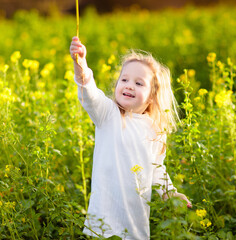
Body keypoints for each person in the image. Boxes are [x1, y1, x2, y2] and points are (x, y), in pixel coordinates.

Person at [69, 36, 192, 239]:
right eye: (124, 80)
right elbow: (88, 93)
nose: (129, 85)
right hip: (102, 224)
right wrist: (80, 64)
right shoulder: (108, 114)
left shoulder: (154, 130)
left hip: (135, 225)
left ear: (152, 95)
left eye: (138, 83)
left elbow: (157, 169)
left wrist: (170, 193)